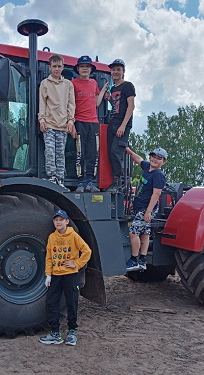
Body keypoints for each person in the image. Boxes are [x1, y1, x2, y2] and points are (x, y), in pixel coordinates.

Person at [39, 209, 91, 346]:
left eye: (61, 219)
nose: (58, 222)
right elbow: (49, 257)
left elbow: (87, 251)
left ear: (67, 221)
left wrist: (77, 264)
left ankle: (72, 331)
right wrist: (48, 275)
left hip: (70, 275)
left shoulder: (73, 235)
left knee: (71, 302)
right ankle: (55, 333)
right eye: (56, 220)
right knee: (51, 303)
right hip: (56, 275)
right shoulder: (52, 237)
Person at [125, 147, 167, 271]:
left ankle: (134, 259)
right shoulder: (147, 167)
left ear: (163, 162)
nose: (155, 159)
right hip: (141, 206)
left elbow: (156, 194)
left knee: (133, 232)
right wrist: (129, 152)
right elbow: (139, 160)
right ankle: (142, 260)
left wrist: (148, 211)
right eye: (153, 156)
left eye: (159, 158)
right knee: (144, 232)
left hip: (146, 208)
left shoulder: (158, 175)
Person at [72, 55, 109, 193]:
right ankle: (80, 182)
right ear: (78, 69)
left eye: (87, 67)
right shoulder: (73, 83)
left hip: (93, 123)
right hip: (79, 121)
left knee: (92, 153)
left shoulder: (94, 83)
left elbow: (96, 103)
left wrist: (104, 89)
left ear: (90, 69)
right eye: (82, 66)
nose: (85, 69)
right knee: (80, 153)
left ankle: (89, 181)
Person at [38, 54, 76, 188]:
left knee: (60, 154)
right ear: (50, 68)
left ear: (63, 67)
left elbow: (71, 104)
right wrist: (41, 119)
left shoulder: (68, 85)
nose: (57, 69)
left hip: (63, 125)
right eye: (54, 66)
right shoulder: (45, 84)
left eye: (59, 66)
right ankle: (52, 177)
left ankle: (60, 180)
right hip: (49, 124)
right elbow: (42, 103)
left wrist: (71, 121)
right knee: (50, 151)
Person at [106, 59, 136, 193]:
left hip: (122, 124)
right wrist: (109, 98)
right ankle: (114, 180)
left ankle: (119, 182)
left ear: (123, 71)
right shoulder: (113, 88)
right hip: (112, 122)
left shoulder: (128, 86)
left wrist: (123, 125)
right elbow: (116, 104)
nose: (116, 72)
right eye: (113, 70)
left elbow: (131, 106)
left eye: (118, 69)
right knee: (110, 153)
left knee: (116, 152)